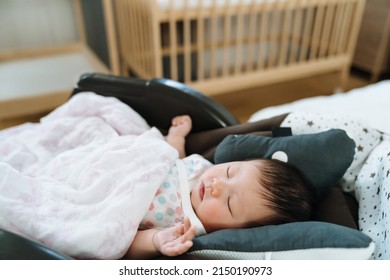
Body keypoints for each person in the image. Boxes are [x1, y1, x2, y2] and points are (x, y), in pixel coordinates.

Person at [125, 115, 313, 259]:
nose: (218, 185)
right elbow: (177, 161)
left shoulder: (185, 228)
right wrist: (177, 137)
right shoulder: (201, 167)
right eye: (230, 172)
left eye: (230, 203)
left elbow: (124, 245)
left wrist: (154, 241)